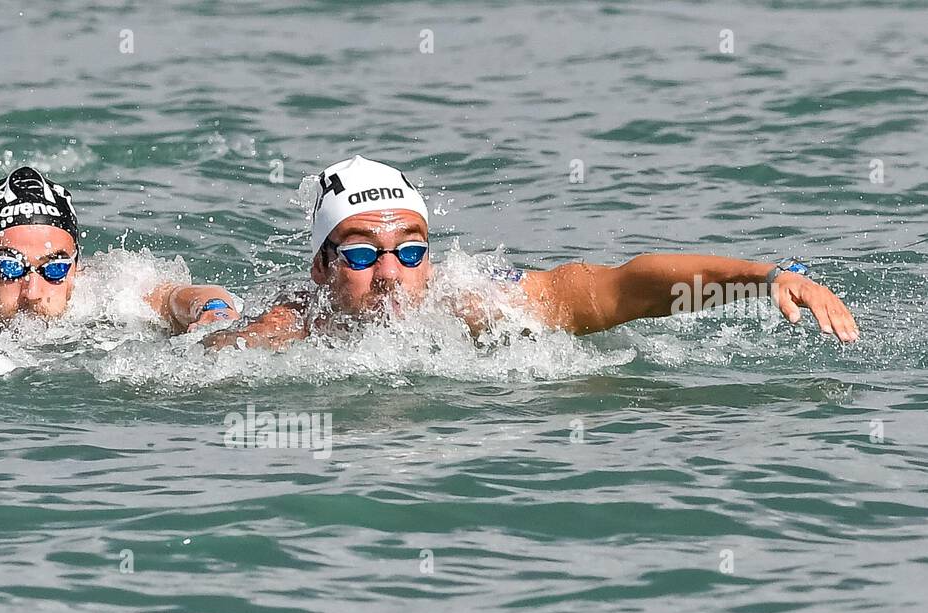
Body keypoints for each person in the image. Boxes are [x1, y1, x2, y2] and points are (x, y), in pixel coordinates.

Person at [205, 155, 859, 350]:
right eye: (360, 255)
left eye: (410, 253)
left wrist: (759, 277)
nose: (388, 278)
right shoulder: (286, 329)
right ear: (320, 266)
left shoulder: (468, 300)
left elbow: (618, 289)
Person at [0, 166, 240, 334]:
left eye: (55, 269)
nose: (33, 292)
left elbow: (178, 297)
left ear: (76, 269)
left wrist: (214, 309)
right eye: (10, 267)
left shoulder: (108, 292)